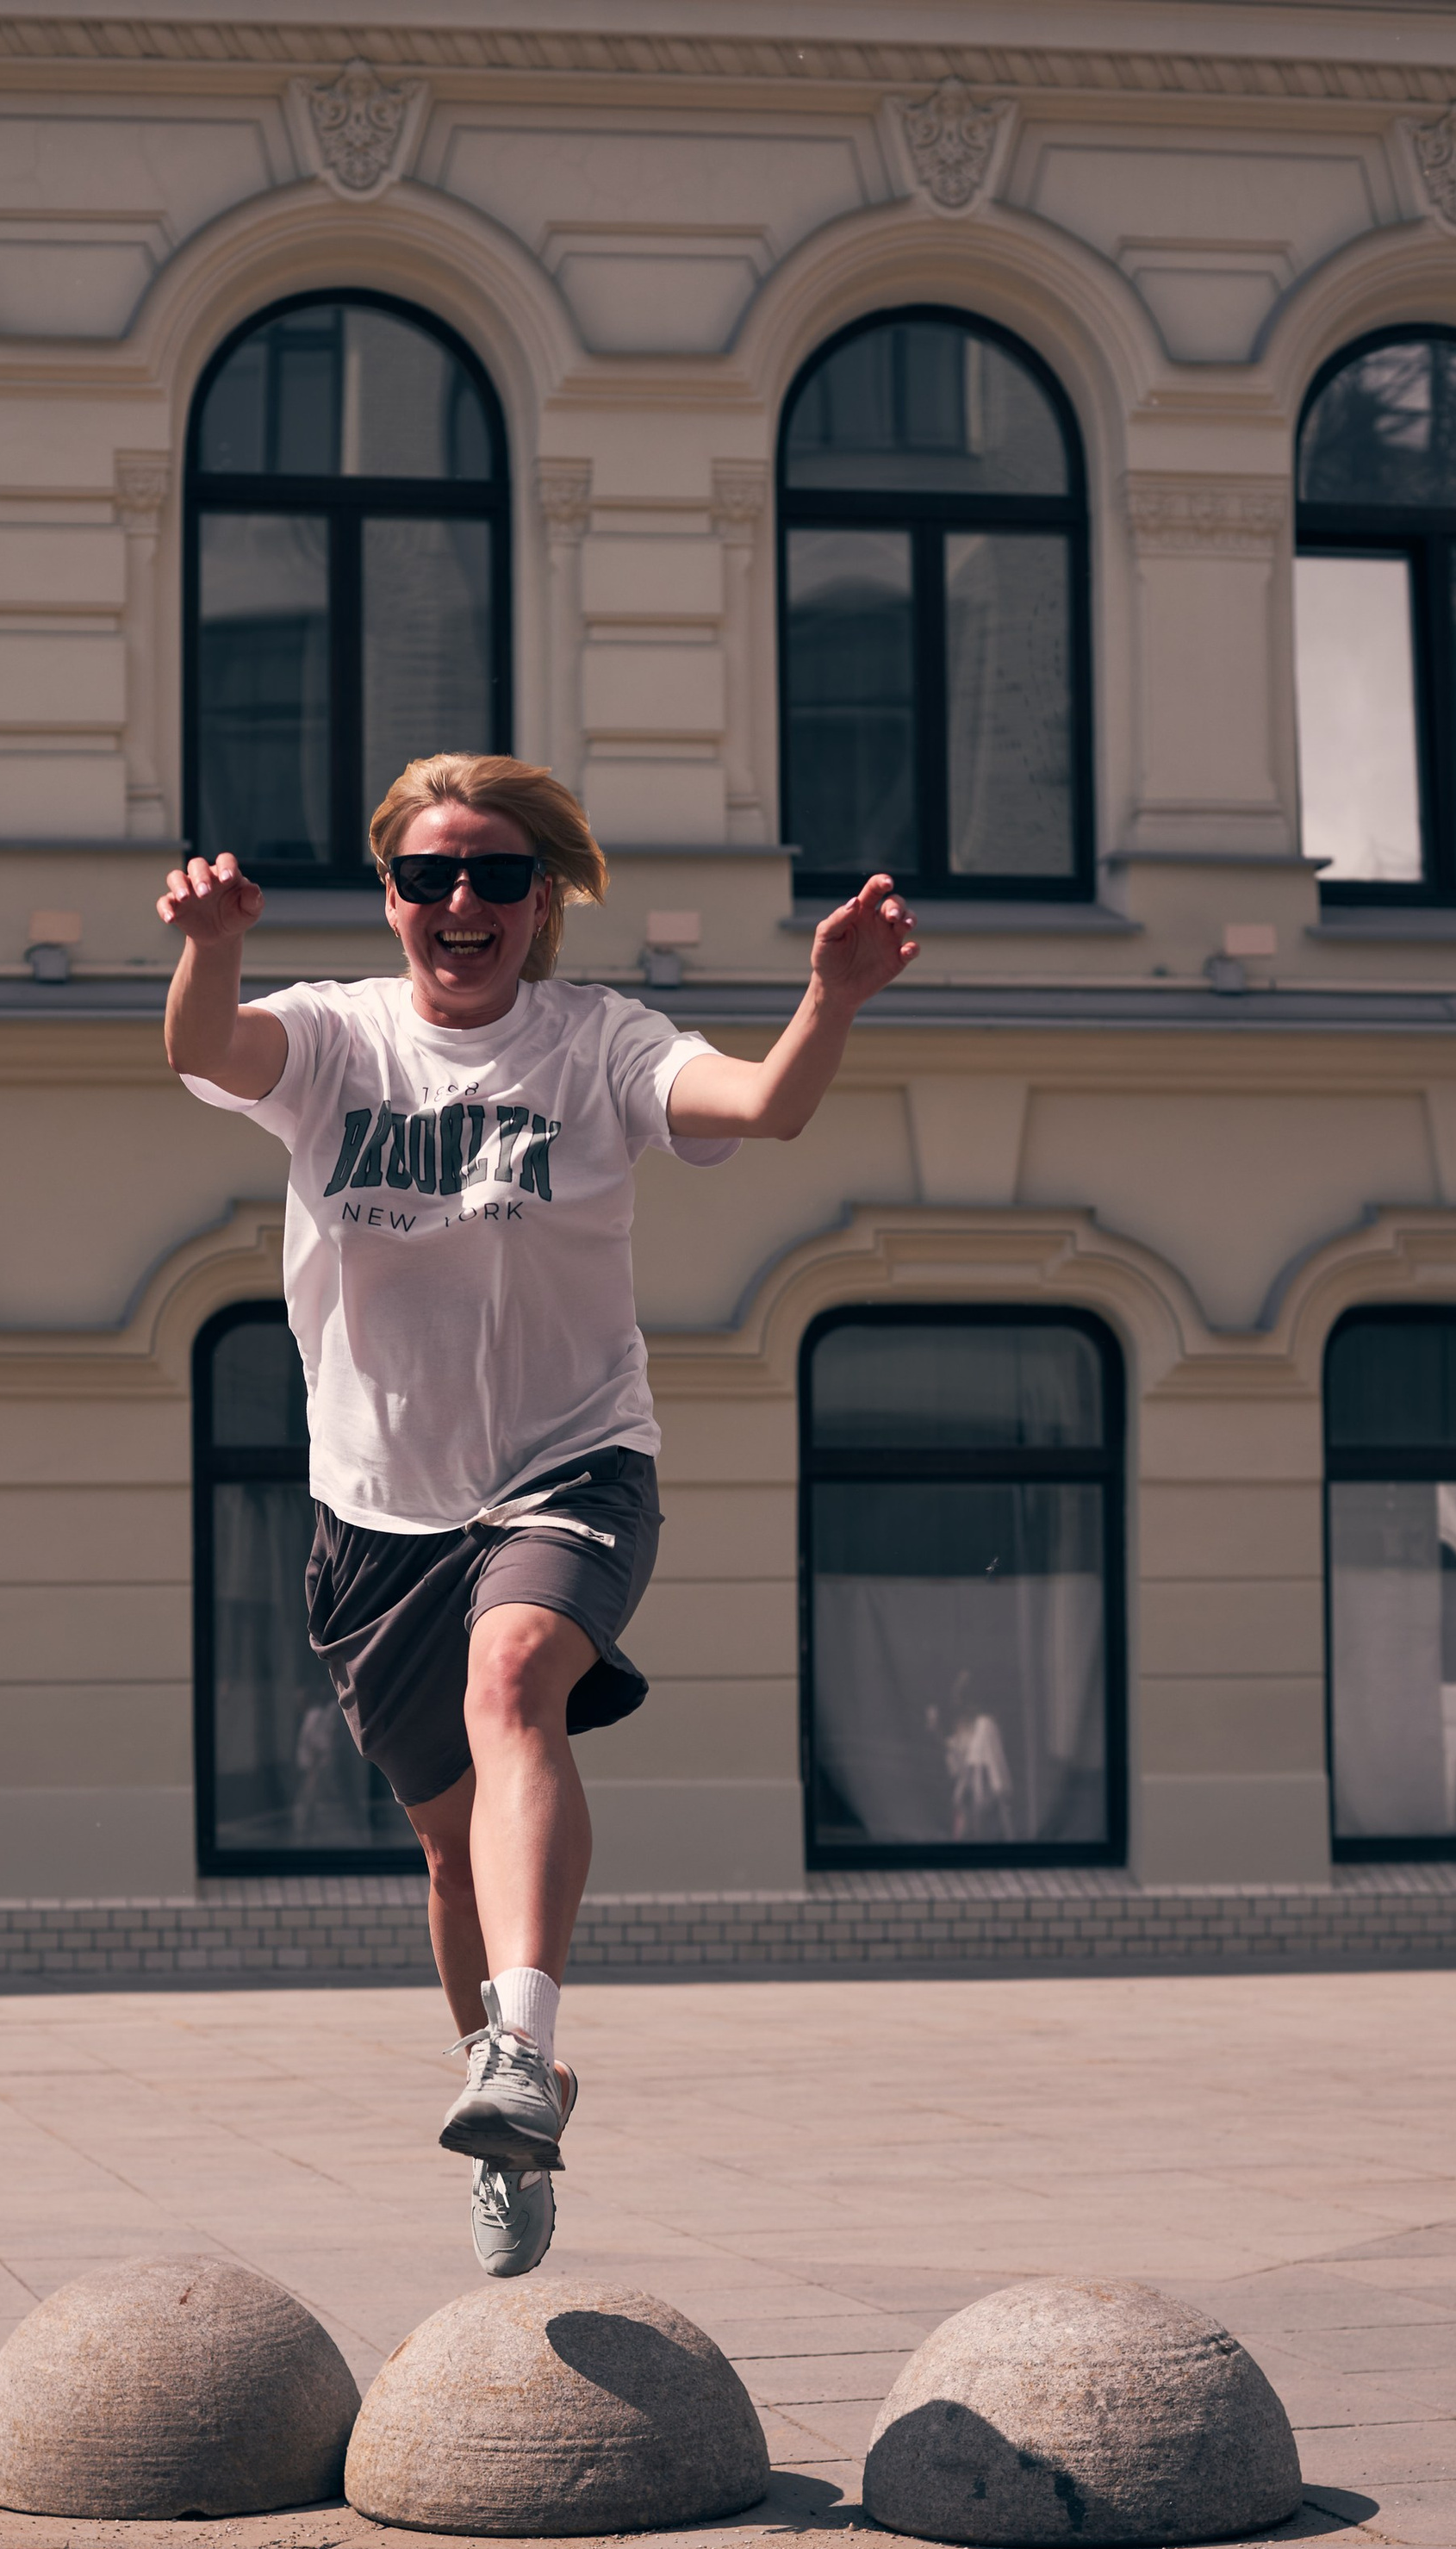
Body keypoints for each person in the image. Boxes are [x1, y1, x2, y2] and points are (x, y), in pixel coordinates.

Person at [162, 753, 915, 2276]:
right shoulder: (328, 1036)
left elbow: (760, 1108)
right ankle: (514, 2099)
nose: (464, 903)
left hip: (572, 1467)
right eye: (433, 875)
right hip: (376, 1510)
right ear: (390, 895)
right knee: (446, 1857)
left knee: (518, 1682)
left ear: (543, 900)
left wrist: (830, 996)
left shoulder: (597, 1044)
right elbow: (208, 1045)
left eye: (500, 876)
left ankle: (523, 2043)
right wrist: (211, 942)